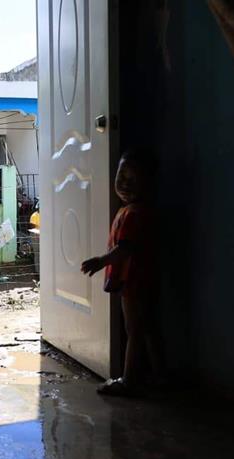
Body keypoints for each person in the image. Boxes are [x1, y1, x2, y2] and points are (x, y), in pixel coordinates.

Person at [80, 149, 165, 397]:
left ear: (148, 182)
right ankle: (160, 376)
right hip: (142, 279)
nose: (125, 184)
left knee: (134, 330)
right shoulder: (132, 210)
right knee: (146, 328)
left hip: (134, 280)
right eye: (122, 176)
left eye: (133, 179)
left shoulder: (134, 214)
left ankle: (129, 380)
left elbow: (125, 248)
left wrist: (101, 261)